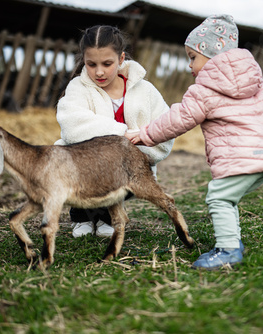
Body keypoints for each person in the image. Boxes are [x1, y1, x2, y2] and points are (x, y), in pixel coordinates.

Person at [126, 15, 263, 270]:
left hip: (240, 158)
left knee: (219, 197)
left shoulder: (205, 89)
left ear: (213, 55)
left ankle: (228, 250)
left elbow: (178, 119)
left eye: (192, 57)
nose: (190, 66)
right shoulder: (258, 83)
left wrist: (145, 135)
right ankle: (233, 242)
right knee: (227, 196)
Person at [55, 25, 174, 238]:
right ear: (84, 60)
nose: (99, 71)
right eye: (91, 64)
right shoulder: (78, 88)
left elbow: (164, 125)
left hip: (127, 166)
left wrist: (141, 140)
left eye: (107, 64)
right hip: (85, 165)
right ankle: (82, 215)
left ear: (121, 59)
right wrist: (122, 134)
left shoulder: (145, 91)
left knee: (123, 172)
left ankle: (106, 217)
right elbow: (72, 125)